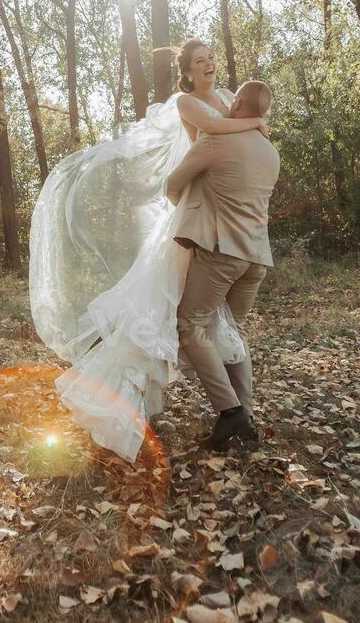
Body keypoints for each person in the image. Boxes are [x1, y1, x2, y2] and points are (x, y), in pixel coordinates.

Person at [29, 38, 271, 461]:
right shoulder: (187, 103)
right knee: (160, 316)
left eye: (212, 57)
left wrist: (252, 122)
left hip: (223, 224)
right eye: (201, 61)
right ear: (188, 72)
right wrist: (254, 124)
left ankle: (238, 415)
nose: (211, 64)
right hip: (199, 220)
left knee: (214, 324)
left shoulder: (231, 98)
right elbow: (222, 131)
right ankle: (126, 405)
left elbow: (242, 128)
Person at [165, 80, 279, 449]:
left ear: (237, 104)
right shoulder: (270, 151)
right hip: (257, 257)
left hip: (221, 253)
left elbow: (173, 183)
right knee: (233, 331)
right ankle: (245, 416)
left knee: (190, 325)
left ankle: (230, 412)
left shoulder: (215, 141)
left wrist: (193, 208)